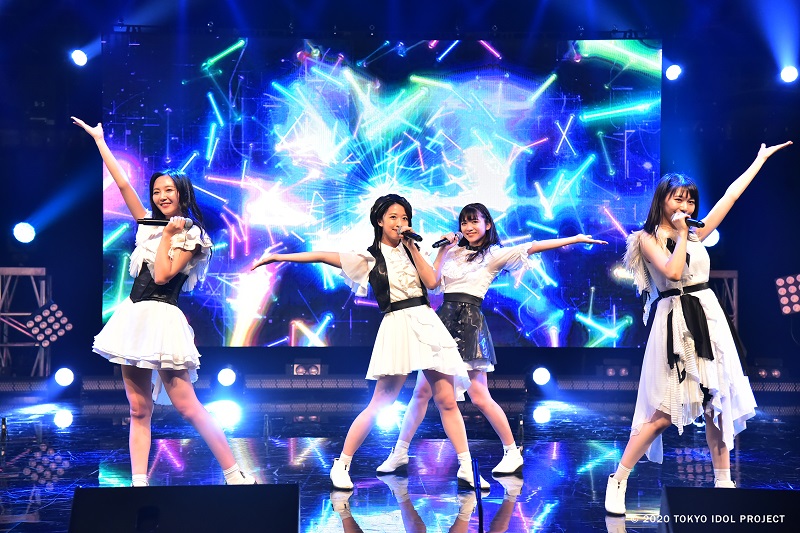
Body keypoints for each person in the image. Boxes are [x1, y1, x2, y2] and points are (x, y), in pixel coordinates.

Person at [605, 140, 793, 515]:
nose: (686, 207)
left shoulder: (694, 233)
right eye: (678, 199)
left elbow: (730, 197)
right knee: (662, 414)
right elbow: (674, 273)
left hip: (708, 318)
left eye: (690, 201)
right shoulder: (646, 238)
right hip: (675, 322)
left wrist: (758, 160)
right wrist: (679, 235)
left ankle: (723, 483)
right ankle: (619, 478)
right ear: (662, 201)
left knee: (716, 405)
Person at [252, 194, 487, 490]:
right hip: (398, 325)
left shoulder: (415, 248)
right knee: (381, 402)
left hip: (427, 322)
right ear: (379, 220)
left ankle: (466, 467)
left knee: (446, 400)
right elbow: (323, 255)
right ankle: (342, 464)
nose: (400, 223)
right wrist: (279, 258)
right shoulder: (369, 257)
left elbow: (431, 283)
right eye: (393, 217)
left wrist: (418, 248)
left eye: (405, 218)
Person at [72, 116, 256, 487]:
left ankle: (234, 473)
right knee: (139, 408)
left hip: (163, 319)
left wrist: (171, 236)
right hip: (133, 318)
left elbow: (161, 276)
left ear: (182, 194)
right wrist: (100, 141)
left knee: (188, 405)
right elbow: (123, 184)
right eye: (156, 191)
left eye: (168, 190)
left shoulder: (192, 235)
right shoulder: (150, 226)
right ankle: (138, 483)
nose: (161, 196)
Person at [377, 203, 606, 476]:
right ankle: (400, 452)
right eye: (464, 222)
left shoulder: (493, 255)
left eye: (475, 221)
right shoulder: (451, 251)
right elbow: (430, 277)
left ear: (487, 224)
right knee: (421, 393)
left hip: (469, 324)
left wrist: (575, 239)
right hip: (441, 324)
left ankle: (511, 452)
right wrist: (440, 248)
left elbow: (533, 246)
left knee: (479, 395)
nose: (469, 227)